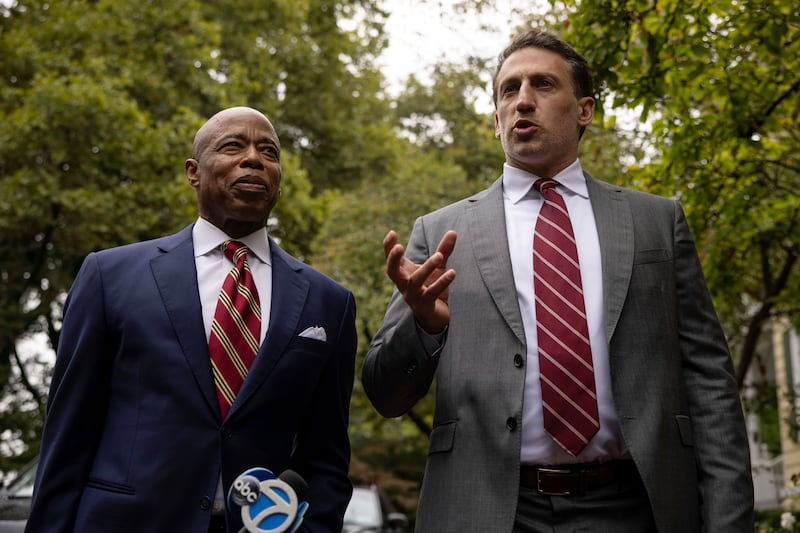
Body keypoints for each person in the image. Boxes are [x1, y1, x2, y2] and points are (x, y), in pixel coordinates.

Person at [362, 30, 753, 532]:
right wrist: (424, 327)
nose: (523, 100)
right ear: (495, 120)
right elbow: (385, 395)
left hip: (633, 506)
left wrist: (728, 520)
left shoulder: (657, 222)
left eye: (543, 85)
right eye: (509, 90)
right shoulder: (439, 235)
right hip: (488, 510)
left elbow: (709, 383)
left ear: (584, 110)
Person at [26, 107, 357, 533]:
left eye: (268, 151)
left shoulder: (329, 302)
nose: (254, 158)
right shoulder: (109, 276)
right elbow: (68, 434)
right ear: (193, 172)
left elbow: (326, 457)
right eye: (233, 146)